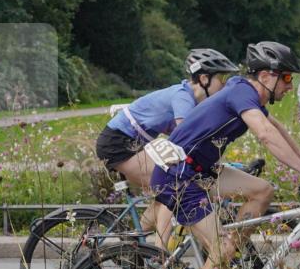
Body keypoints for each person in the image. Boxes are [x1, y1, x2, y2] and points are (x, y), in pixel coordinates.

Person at [149, 41, 300, 269]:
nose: (291, 86)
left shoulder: (245, 93)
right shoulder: (241, 93)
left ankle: (231, 254)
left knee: (263, 191)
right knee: (220, 252)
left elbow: (275, 127)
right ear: (266, 76)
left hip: (200, 170)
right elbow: (265, 135)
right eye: (287, 77)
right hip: (178, 174)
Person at [95, 48, 241, 246]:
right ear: (204, 79)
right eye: (221, 78)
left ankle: (131, 241)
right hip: (118, 143)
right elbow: (190, 138)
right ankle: (160, 255)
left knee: (168, 188)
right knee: (173, 186)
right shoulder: (183, 97)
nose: (225, 84)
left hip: (131, 142)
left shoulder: (193, 99)